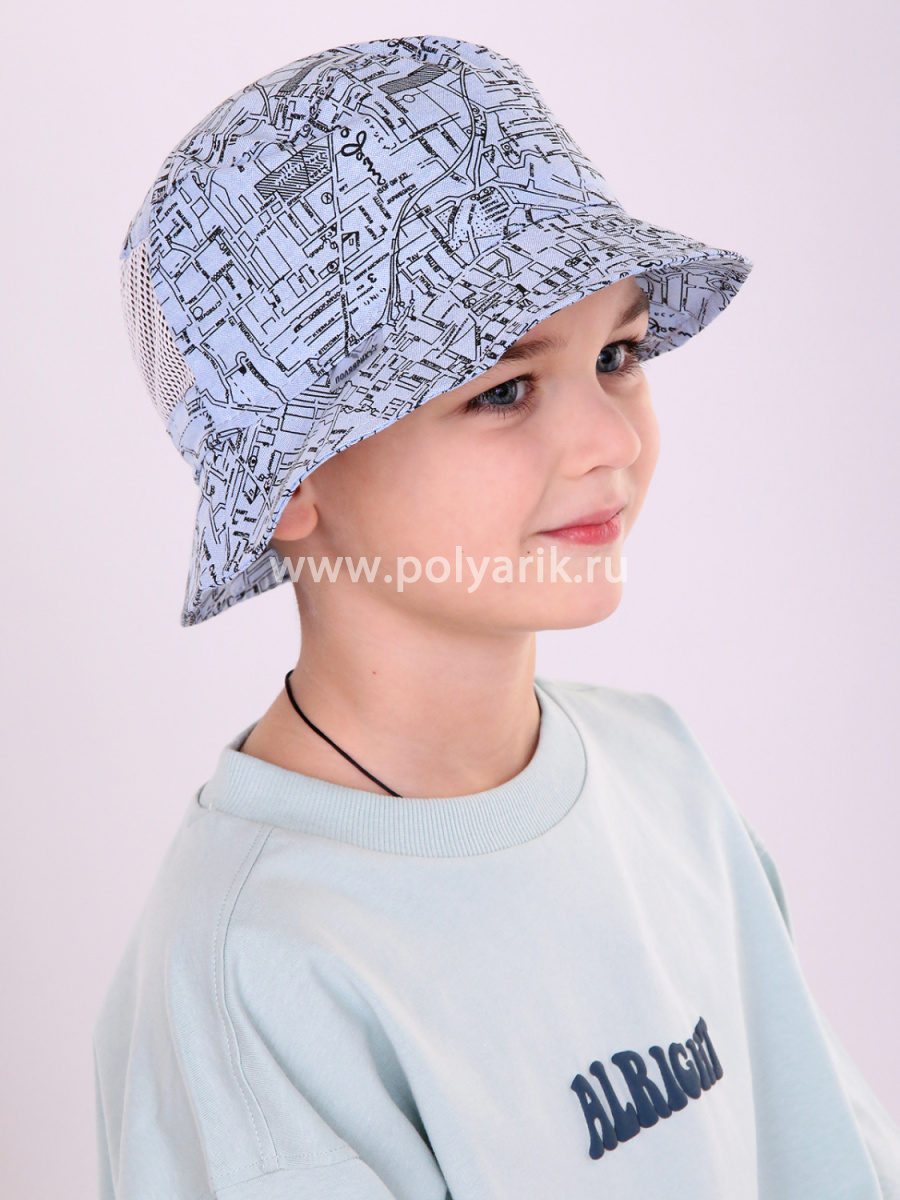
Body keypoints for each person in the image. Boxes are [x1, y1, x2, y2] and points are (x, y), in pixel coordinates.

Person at [95, 33, 900, 1199]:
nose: (611, 442)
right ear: (290, 483)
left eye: (618, 354)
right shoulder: (258, 972)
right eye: (505, 388)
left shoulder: (661, 772)